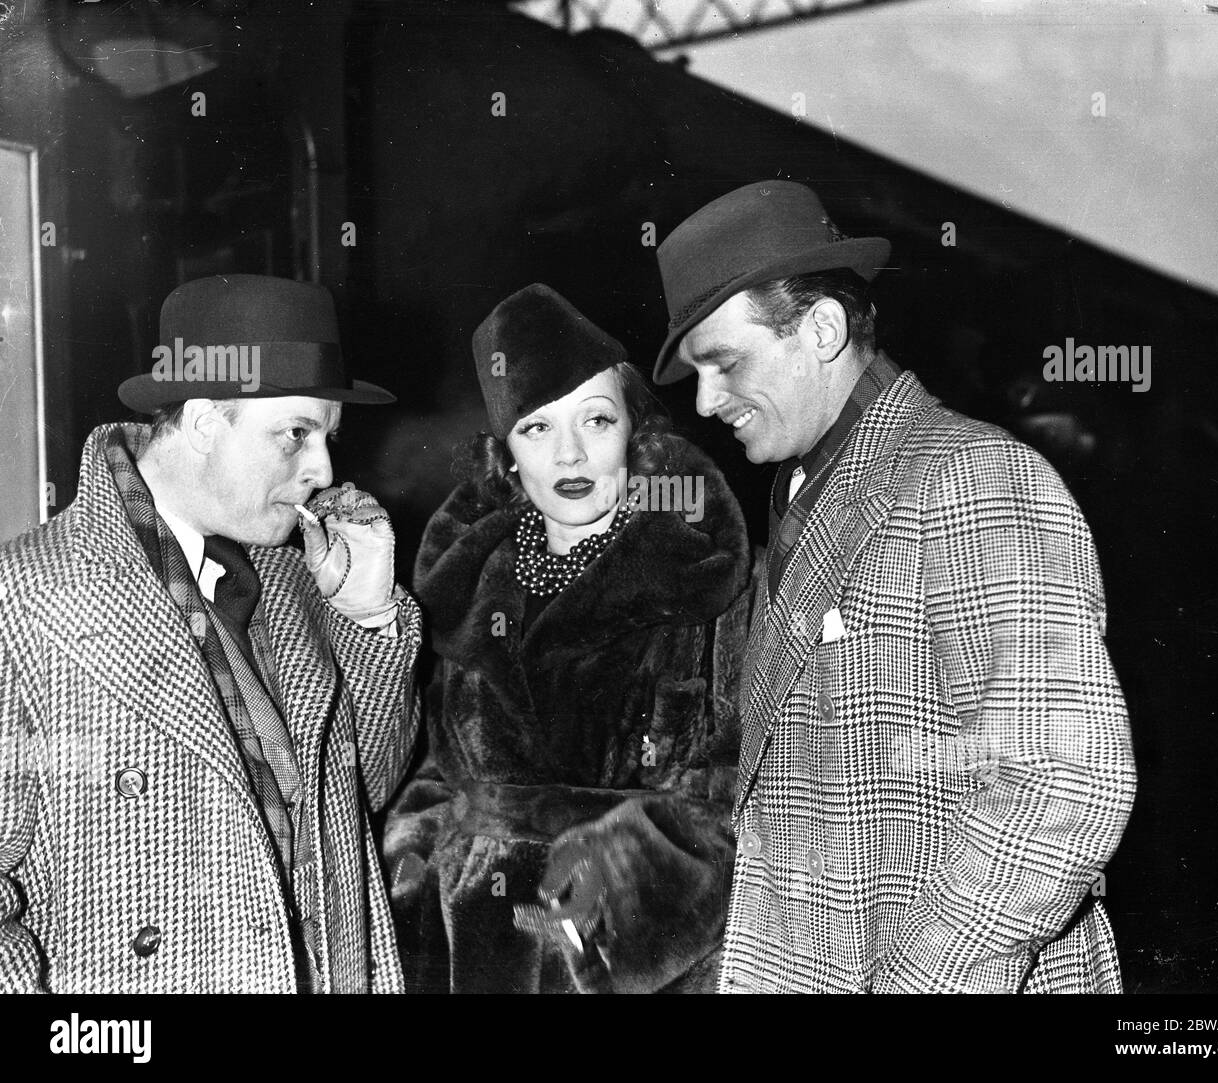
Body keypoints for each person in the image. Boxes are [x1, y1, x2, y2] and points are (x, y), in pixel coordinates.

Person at [651, 181, 1138, 993]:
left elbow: (1066, 781)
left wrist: (919, 980)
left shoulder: (970, 477)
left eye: (725, 363)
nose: (704, 402)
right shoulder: (807, 492)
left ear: (825, 328)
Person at [0, 274, 421, 992]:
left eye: (327, 437)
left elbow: (370, 789)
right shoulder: (33, 594)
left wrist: (370, 615)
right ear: (201, 421)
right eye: (295, 433)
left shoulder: (294, 580)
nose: (321, 470)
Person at [382, 283, 753, 993]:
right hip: (467, 958)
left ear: (634, 432)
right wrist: (412, 870)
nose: (572, 453)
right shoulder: (467, 588)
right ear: (507, 456)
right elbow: (437, 769)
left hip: (625, 966)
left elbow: (738, 795)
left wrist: (590, 907)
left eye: (596, 419)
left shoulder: (702, 581)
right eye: (538, 428)